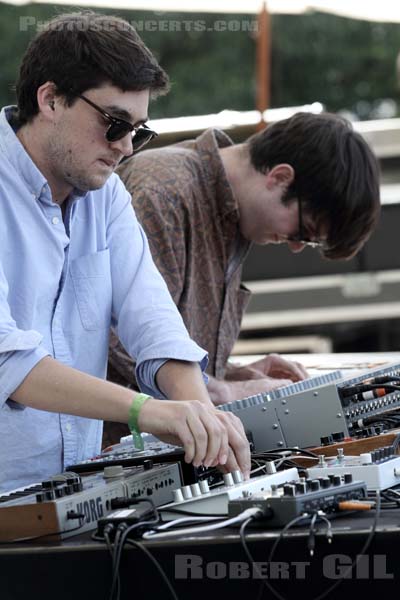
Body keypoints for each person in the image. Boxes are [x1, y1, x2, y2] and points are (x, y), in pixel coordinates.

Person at [0, 11, 251, 493]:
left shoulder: (107, 194)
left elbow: (152, 319)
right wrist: (146, 411)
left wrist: (200, 417)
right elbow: (8, 359)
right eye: (115, 124)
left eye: (139, 130)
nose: (126, 147)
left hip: (69, 493)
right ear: (50, 99)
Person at [105, 111, 381, 443]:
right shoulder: (163, 191)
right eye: (303, 231)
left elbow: (170, 336)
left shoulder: (234, 218)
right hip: (108, 447)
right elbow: (117, 336)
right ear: (280, 177)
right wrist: (223, 390)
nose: (294, 246)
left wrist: (232, 373)